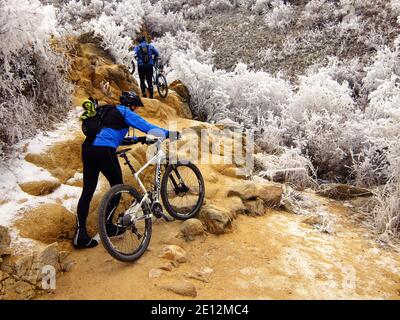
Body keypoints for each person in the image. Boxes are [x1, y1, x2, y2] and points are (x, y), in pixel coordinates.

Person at [74, 91, 177, 249]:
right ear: (132, 105)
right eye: (135, 107)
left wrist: (138, 139)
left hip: (88, 150)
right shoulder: (125, 111)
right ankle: (107, 226)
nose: (135, 110)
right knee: (117, 187)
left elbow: (112, 136)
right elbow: (147, 127)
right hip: (104, 151)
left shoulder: (107, 111)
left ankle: (80, 235)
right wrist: (169, 134)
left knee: (87, 191)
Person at [133, 35, 159, 99]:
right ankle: (151, 96)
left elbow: (133, 54)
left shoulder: (137, 47)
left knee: (142, 80)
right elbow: (157, 53)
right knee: (149, 80)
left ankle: (144, 95)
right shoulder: (150, 46)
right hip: (149, 66)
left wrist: (137, 57)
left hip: (141, 66)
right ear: (145, 40)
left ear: (139, 41)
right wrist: (154, 59)